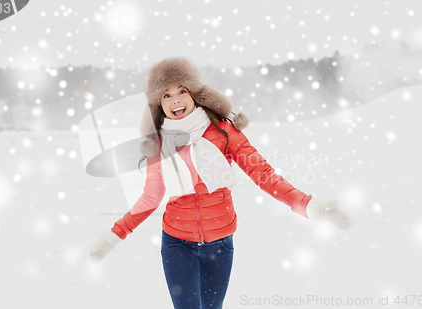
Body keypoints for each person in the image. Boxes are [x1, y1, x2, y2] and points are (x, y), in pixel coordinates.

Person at [89, 57, 352, 309]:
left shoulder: (224, 132)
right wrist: (112, 236)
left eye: (181, 90)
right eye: (166, 95)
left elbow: (263, 173)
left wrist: (308, 205)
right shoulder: (159, 145)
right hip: (176, 243)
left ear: (194, 94)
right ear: (159, 105)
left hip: (221, 242)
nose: (175, 100)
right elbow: (150, 198)